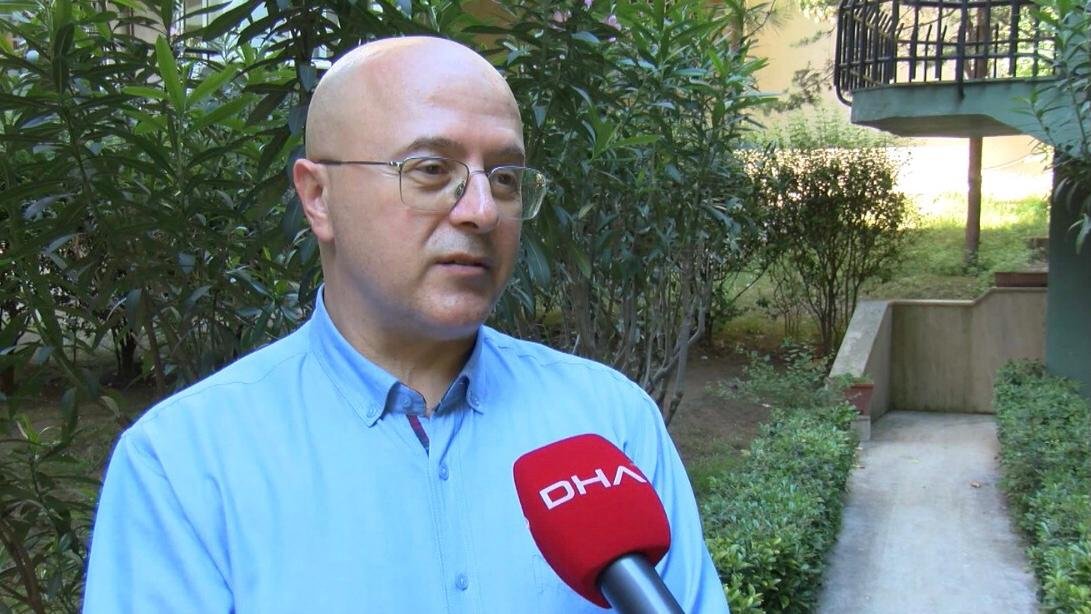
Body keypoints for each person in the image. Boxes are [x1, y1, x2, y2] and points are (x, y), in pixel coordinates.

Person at [83, 36, 729, 613]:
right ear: (318, 197)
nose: (482, 211)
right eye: (431, 170)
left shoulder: (609, 422)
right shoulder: (186, 464)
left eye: (505, 177)